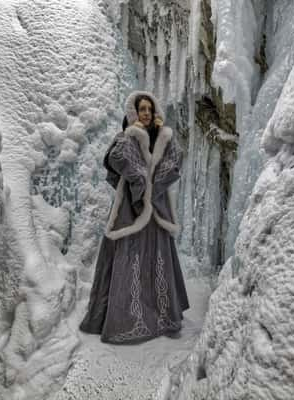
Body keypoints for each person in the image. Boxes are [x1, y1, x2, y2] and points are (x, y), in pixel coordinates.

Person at [79, 90, 189, 344]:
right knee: (130, 256)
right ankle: (126, 319)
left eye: (150, 109)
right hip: (131, 208)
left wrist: (153, 185)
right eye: (142, 110)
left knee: (158, 257)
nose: (147, 114)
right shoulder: (127, 137)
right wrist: (140, 181)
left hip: (156, 208)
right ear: (134, 113)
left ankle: (162, 316)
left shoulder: (164, 137)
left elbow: (174, 163)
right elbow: (115, 158)